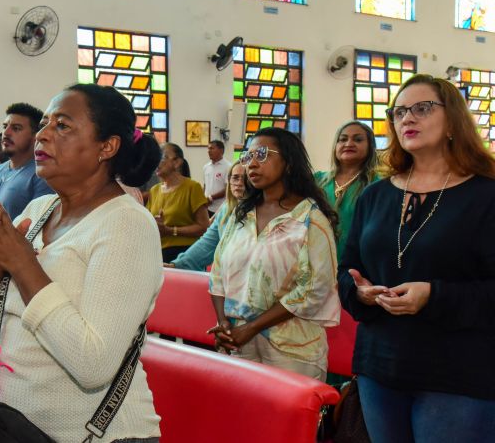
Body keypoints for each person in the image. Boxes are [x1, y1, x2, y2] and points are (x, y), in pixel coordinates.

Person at [0, 84, 163, 442]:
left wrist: (23, 264)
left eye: (62, 126)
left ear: (107, 146)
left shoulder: (126, 224)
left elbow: (92, 365)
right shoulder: (39, 212)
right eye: (43, 123)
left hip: (94, 435)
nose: (43, 134)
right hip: (12, 426)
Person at [338, 74, 495, 442]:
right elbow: (347, 268)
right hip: (381, 366)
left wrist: (433, 295)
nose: (408, 118)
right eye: (399, 112)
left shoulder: (486, 196)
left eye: (422, 108)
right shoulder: (375, 195)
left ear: (454, 120)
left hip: (458, 372)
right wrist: (359, 292)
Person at [208, 128, 340, 380]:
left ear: (288, 162)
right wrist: (224, 323)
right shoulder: (241, 215)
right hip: (240, 342)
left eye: (262, 154)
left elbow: (314, 288)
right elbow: (218, 271)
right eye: (247, 157)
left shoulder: (309, 219)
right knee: (245, 417)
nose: (252, 164)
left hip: (292, 349)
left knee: (285, 419)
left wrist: (253, 327)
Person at [315, 121, 379, 261]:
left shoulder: (378, 184)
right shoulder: (317, 181)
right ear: (335, 146)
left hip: (356, 266)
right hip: (317, 263)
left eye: (358, 139)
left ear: (370, 146)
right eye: (342, 139)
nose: (349, 143)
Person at [0, 103, 53, 219]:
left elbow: (37, 227)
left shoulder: (41, 176)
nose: (6, 133)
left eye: (16, 128)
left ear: (36, 136)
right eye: (4, 127)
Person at [167, 161, 246, 270]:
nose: (239, 183)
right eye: (235, 178)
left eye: (245, 178)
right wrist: (177, 264)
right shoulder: (226, 209)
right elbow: (207, 243)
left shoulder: (261, 210)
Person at [146, 143, 210, 262]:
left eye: (162, 157)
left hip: (186, 253)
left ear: (177, 162)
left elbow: (204, 227)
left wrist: (170, 230)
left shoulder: (192, 187)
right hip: (159, 252)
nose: (156, 162)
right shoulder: (154, 190)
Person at [203, 140, 230, 217]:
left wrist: (211, 198)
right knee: (207, 228)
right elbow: (205, 186)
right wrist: (202, 199)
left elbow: (227, 189)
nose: (208, 151)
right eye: (208, 149)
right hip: (207, 207)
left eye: (212, 148)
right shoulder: (206, 167)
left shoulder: (228, 167)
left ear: (221, 150)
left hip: (221, 208)